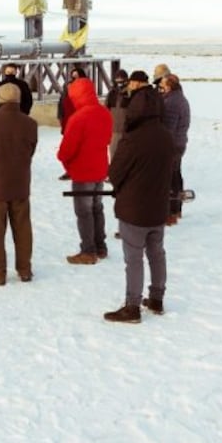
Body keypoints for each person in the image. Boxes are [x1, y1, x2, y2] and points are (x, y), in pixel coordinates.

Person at [103, 77, 174, 324]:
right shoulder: (166, 137)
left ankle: (132, 306)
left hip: (134, 208)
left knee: (133, 258)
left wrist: (121, 187)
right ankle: (157, 298)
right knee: (157, 252)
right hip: (158, 207)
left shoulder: (132, 140)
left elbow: (115, 174)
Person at [0, 83, 38, 285]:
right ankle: (25, 269)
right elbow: (31, 150)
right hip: (20, 182)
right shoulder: (30, 124)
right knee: (23, 227)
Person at [57, 76, 113, 264]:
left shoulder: (78, 118)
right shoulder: (104, 113)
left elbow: (67, 149)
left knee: (84, 212)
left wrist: (64, 161)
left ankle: (88, 251)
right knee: (97, 208)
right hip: (100, 168)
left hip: (82, 171)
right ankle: (100, 246)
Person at [161, 73, 191, 225]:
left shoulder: (172, 102)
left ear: (170, 86)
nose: (162, 88)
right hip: (179, 143)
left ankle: (170, 212)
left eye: (163, 85)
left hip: (172, 145)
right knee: (176, 176)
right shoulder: (180, 99)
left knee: (170, 178)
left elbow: (168, 127)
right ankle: (176, 209)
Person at [56, 67, 86, 180]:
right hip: (68, 121)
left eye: (77, 76)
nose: (74, 79)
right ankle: (69, 170)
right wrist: (60, 116)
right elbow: (61, 103)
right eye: (73, 76)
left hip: (80, 122)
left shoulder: (85, 89)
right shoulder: (67, 87)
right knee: (68, 147)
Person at [105, 69, 129, 161]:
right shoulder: (111, 94)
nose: (119, 83)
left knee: (126, 157)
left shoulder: (131, 94)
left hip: (127, 131)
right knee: (114, 156)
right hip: (114, 131)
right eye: (117, 81)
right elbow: (106, 110)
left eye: (121, 81)